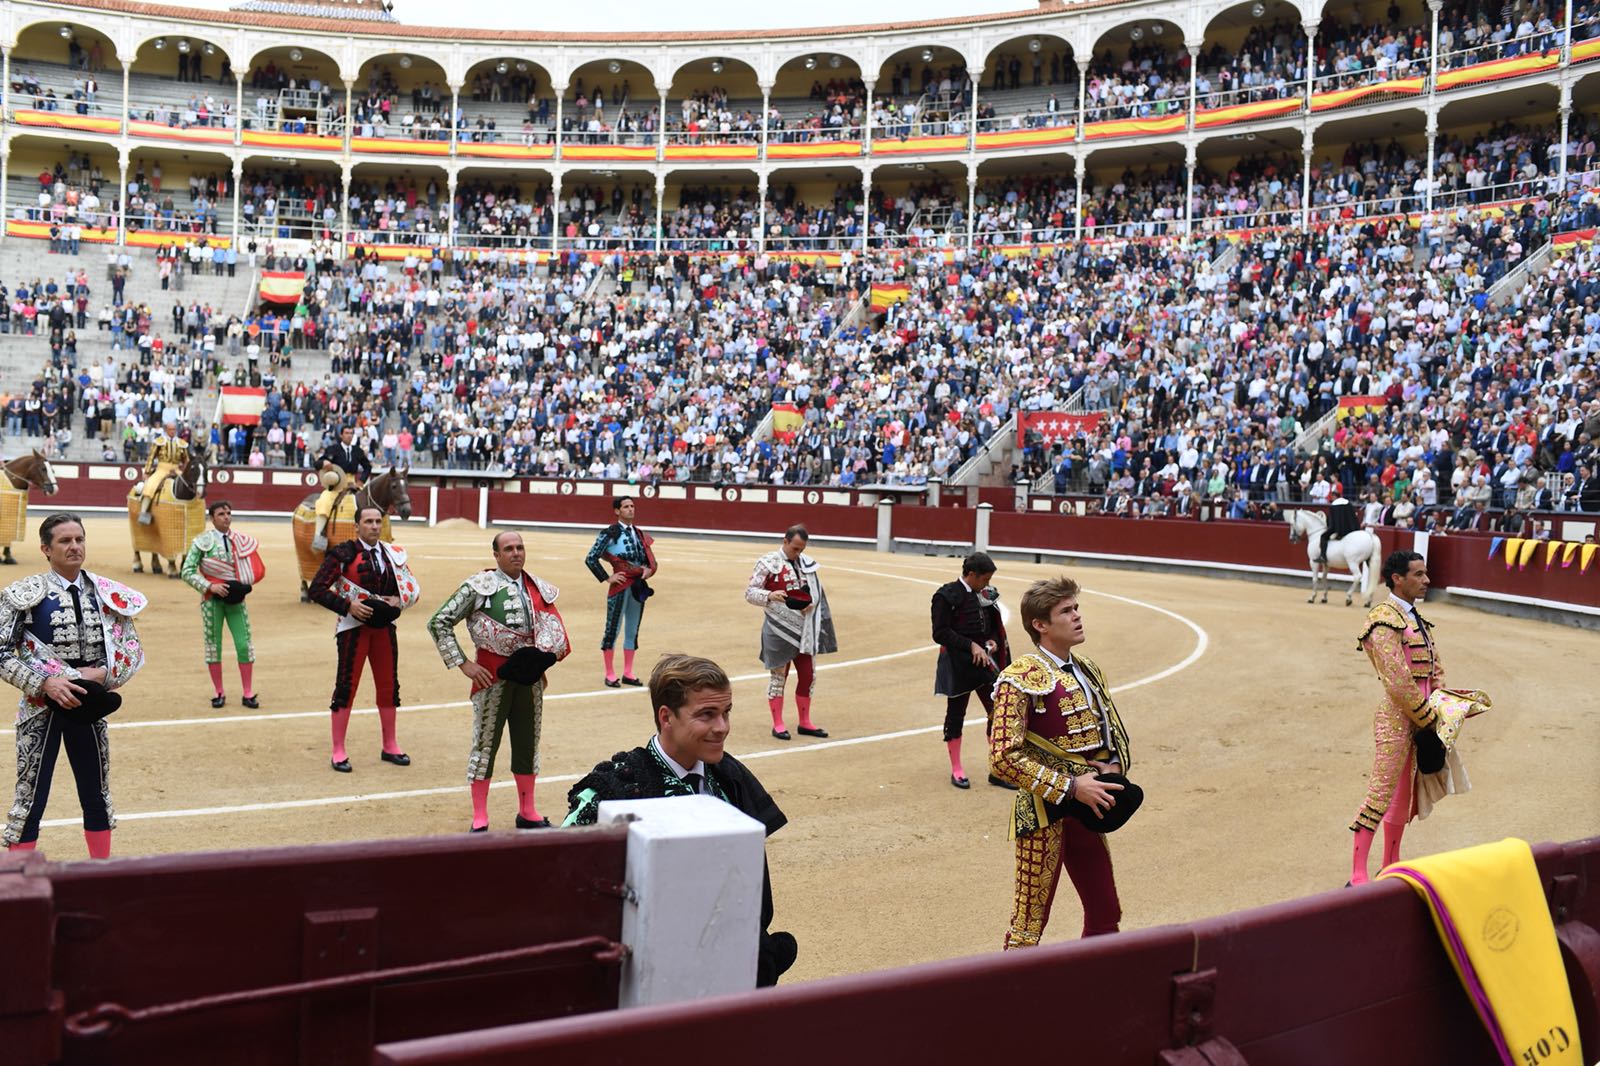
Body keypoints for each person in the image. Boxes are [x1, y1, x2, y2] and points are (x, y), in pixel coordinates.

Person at [564, 653, 799, 987]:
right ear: (666, 717)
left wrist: (754, 948)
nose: (722, 727)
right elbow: (566, 890)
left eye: (726, 712)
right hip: (642, 982)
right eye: (707, 715)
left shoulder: (731, 778)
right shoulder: (614, 790)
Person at [990, 574, 1132, 947]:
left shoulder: (1088, 669)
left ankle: (1094, 991)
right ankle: (1012, 1003)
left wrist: (1110, 767)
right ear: (1040, 625)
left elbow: (1106, 731)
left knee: (1106, 911)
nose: (1077, 616)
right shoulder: (1018, 678)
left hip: (1090, 809)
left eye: (1076, 608)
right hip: (1042, 813)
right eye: (1066, 611)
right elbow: (1002, 757)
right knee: (1028, 925)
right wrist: (1071, 786)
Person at [1, 513, 146, 857]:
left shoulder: (106, 593)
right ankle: (19, 884)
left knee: (96, 796)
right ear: (45, 549)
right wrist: (45, 683)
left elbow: (130, 648)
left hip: (89, 709)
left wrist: (103, 676)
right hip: (41, 709)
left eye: (79, 539)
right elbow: (1, 651)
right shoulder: (24, 594)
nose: (74, 546)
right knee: (30, 800)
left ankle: (101, 877)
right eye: (65, 541)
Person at [1349, 551, 1488, 885]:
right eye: (1419, 575)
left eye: (1426, 574)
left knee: (1404, 794)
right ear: (1398, 578)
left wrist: (1445, 707)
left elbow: (1435, 670)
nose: (1427, 581)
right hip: (1397, 719)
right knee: (1381, 791)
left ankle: (1391, 863)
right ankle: (1357, 873)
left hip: (1424, 718)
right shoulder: (1383, 618)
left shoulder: (1418, 621)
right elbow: (1397, 679)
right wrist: (1427, 715)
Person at [427, 531, 570, 831]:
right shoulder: (479, 586)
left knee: (527, 743)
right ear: (496, 555)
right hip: (491, 676)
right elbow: (439, 621)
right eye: (508, 549)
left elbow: (552, 630)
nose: (516, 553)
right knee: (485, 744)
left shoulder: (537, 587)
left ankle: (527, 811)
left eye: (520, 547)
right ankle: (480, 816)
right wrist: (463, 663)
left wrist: (543, 658)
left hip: (530, 679)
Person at [308, 505, 420, 773]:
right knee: (346, 686)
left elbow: (407, 588)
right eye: (368, 521)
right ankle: (338, 750)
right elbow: (317, 589)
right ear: (356, 526)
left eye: (377, 521)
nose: (373, 526)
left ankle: (390, 744)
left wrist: (399, 599)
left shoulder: (392, 554)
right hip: (352, 629)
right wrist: (348, 607)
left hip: (384, 629)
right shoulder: (343, 554)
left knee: (388, 686)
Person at [744, 524, 836, 741]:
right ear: (785, 541)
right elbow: (750, 593)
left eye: (801, 549)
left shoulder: (807, 564)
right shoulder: (768, 562)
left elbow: (816, 593)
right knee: (778, 678)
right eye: (795, 548)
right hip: (778, 629)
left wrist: (810, 604)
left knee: (808, 677)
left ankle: (805, 723)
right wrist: (769, 595)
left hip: (805, 630)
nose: (798, 553)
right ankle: (778, 724)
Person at [931, 551, 1010, 789]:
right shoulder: (946, 595)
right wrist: (970, 645)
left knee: (998, 711)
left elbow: (993, 627)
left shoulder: (985, 595)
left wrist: (993, 641)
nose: (987, 584)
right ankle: (956, 769)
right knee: (956, 714)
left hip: (984, 662)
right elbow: (940, 633)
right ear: (971, 574)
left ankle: (997, 769)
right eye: (984, 579)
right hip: (958, 664)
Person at [180, 500, 265, 708]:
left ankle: (247, 692)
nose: (226, 517)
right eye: (221, 514)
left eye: (228, 513)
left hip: (236, 601)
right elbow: (186, 571)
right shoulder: (202, 541)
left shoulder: (240, 541)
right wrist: (210, 586)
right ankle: (219, 691)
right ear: (212, 518)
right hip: (212, 602)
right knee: (213, 646)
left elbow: (249, 570)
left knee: (244, 644)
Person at [584, 495, 657, 688]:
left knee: (632, 629)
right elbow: (591, 558)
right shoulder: (610, 532)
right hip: (620, 585)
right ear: (617, 511)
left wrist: (649, 571)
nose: (631, 509)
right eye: (626, 507)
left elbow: (649, 561)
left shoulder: (639, 533)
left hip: (638, 586)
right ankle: (609, 673)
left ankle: (628, 673)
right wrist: (607, 577)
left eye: (632, 506)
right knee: (613, 629)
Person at [311, 423, 372, 551]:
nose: (349, 436)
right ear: (341, 435)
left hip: (353, 484)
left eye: (351, 433)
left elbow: (368, 467)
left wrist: (361, 481)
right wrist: (324, 462)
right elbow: (316, 463)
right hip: (337, 484)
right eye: (347, 433)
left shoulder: (357, 451)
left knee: (369, 504)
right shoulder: (333, 449)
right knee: (324, 501)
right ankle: (318, 536)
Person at [136, 417, 188, 524]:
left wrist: (185, 472)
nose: (173, 431)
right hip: (162, 468)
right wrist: (146, 472)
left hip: (176, 469)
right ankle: (143, 512)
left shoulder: (182, 443)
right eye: (170, 429)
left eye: (174, 429)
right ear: (166, 430)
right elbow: (151, 457)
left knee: (189, 485)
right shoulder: (159, 441)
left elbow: (186, 460)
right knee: (150, 485)